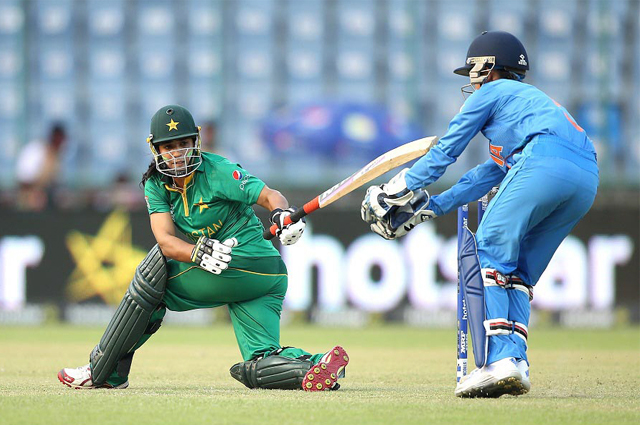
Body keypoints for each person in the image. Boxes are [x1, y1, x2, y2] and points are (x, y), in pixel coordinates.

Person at [361, 31, 598, 398]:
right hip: (585, 178)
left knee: (488, 246)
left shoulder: (492, 92)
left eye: (472, 71)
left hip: (543, 161)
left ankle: (499, 359)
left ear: (487, 66)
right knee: (518, 272)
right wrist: (431, 207)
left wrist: (398, 188)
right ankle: (516, 363)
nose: (470, 81)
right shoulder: (529, 104)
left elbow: (446, 150)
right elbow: (487, 173)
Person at [58, 105, 349, 391]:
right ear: (155, 149)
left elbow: (271, 195)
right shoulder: (156, 185)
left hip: (250, 262)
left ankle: (104, 371)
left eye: (183, 143)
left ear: (196, 141)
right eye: (168, 146)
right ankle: (314, 365)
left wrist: (280, 215)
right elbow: (166, 241)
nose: (177, 153)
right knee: (260, 363)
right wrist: (197, 253)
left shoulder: (218, 170)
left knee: (151, 279)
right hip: (253, 281)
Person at [15, 123, 67, 211]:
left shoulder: (57, 158)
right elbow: (23, 180)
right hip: (28, 204)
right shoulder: (36, 150)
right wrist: (36, 194)